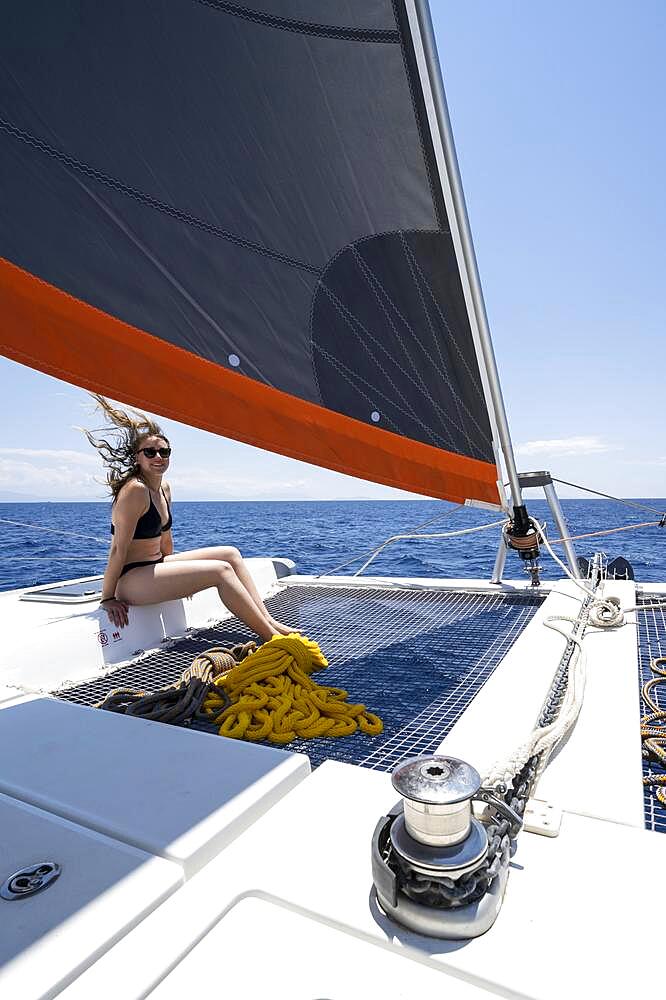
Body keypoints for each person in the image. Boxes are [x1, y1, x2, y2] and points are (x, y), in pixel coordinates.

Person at [85, 395, 290, 641]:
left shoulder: (164, 489)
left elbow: (166, 542)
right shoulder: (135, 491)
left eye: (164, 451)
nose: (158, 457)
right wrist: (107, 597)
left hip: (156, 565)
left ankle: (268, 619)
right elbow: (118, 549)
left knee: (231, 553)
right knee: (220, 570)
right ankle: (272, 638)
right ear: (137, 458)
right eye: (150, 452)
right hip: (130, 578)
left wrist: (183, 577)